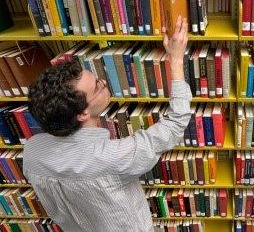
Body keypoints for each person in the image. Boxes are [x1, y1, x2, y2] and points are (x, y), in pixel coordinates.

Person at [23, 16, 191, 232]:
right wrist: (176, 59)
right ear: (82, 113)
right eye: (97, 86)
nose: (104, 83)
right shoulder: (112, 157)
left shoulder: (32, 150)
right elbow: (176, 122)